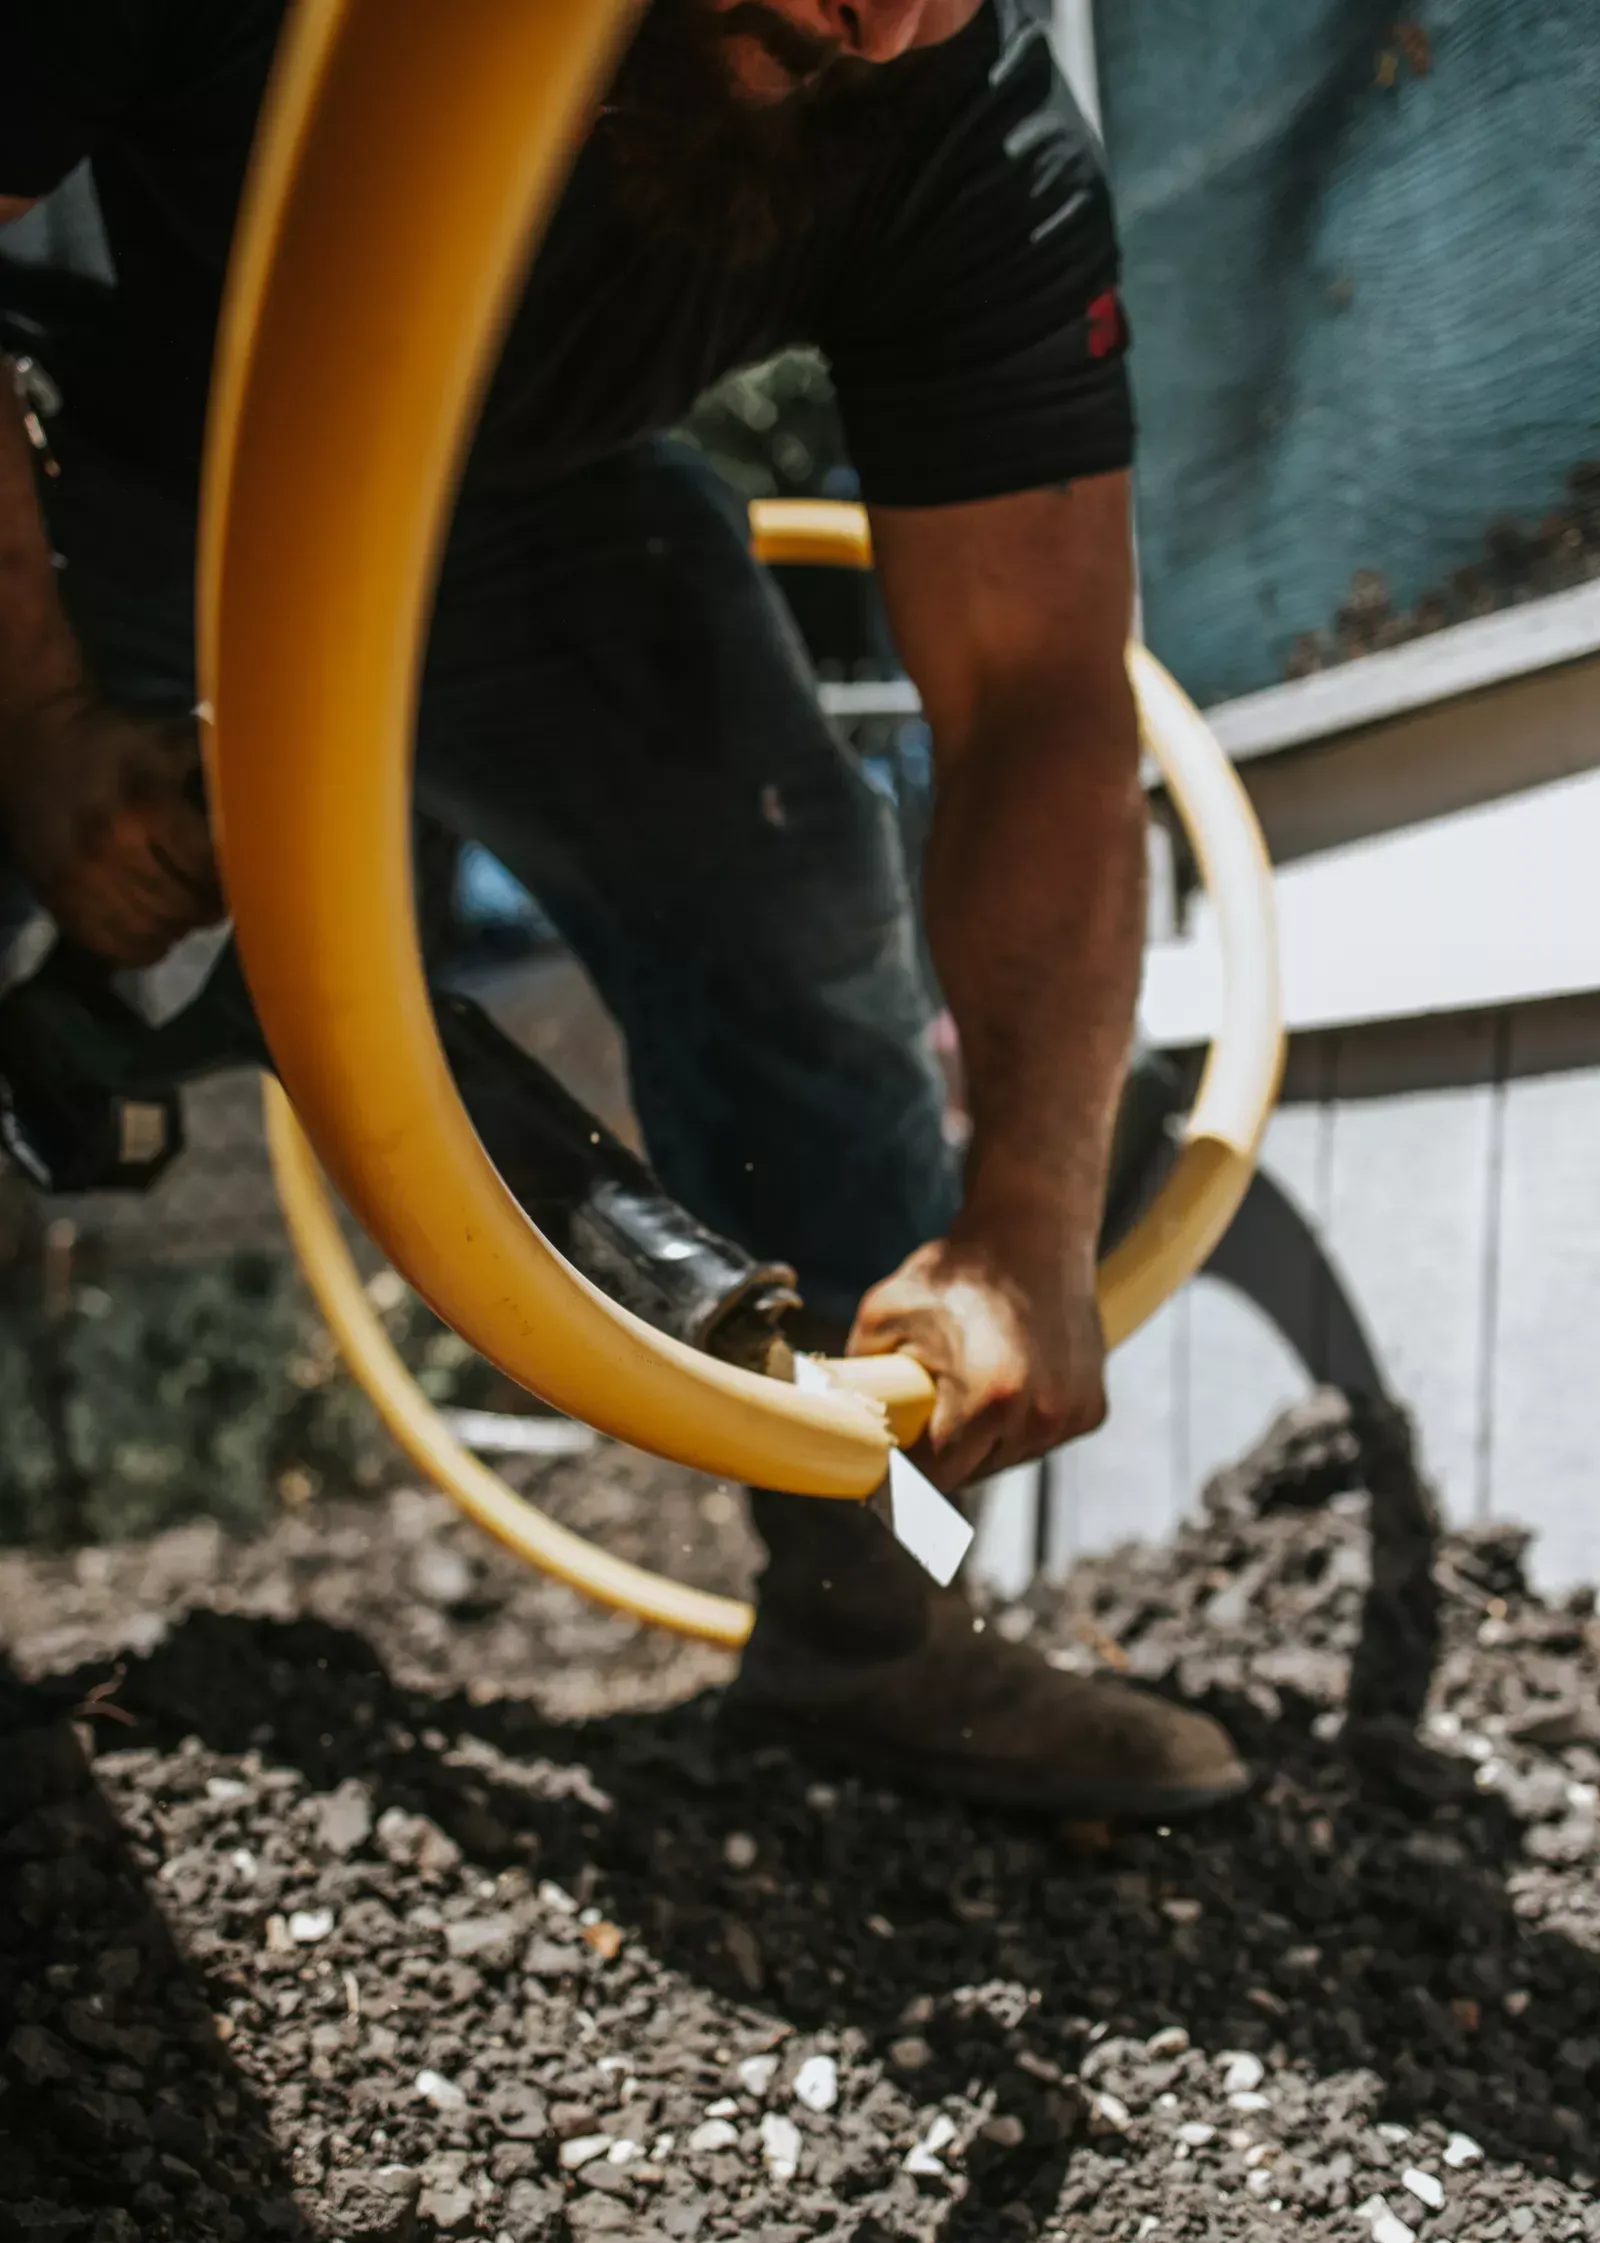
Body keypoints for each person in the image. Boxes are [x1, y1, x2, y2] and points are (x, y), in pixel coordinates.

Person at [0, 0, 1248, 1816]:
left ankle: (875, 1636)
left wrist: (1033, 1214)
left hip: (507, 510)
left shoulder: (959, 132)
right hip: (79, 457)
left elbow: (1040, 695)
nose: (884, 20)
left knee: (794, 873)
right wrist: (38, 722)